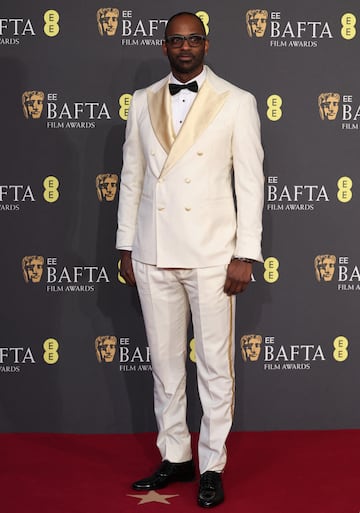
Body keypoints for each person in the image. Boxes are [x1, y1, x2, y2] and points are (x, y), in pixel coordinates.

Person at [116, 11, 264, 508]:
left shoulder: (236, 102)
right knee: (164, 365)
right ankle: (175, 455)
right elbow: (131, 176)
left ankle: (212, 464)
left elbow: (250, 183)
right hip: (154, 251)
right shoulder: (142, 101)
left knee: (215, 368)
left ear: (206, 44)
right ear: (164, 46)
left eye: (193, 39)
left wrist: (246, 253)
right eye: (176, 40)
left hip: (212, 256)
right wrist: (125, 244)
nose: (185, 47)